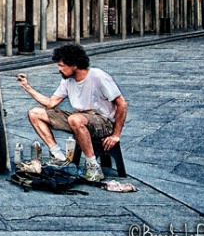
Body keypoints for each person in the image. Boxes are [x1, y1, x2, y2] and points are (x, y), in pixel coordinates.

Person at [16, 43, 127, 182]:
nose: (59, 69)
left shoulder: (98, 76)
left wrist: (116, 135)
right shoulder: (67, 80)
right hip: (79, 118)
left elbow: (122, 104)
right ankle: (58, 156)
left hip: (103, 121)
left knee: (75, 119)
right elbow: (51, 103)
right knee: (35, 113)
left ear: (74, 64)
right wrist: (27, 87)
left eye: (62, 65)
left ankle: (93, 166)